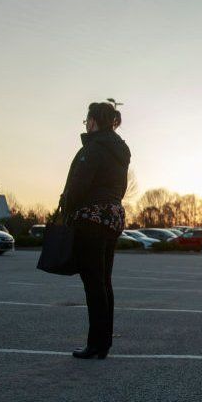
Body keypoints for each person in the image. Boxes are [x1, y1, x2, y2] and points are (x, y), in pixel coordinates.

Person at [64, 102, 131, 359]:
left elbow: (79, 186)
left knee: (93, 282)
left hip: (91, 217)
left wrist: (67, 206)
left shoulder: (93, 148)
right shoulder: (119, 151)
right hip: (112, 216)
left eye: (87, 120)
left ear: (94, 121)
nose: (86, 125)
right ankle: (103, 343)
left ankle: (96, 343)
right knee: (104, 281)